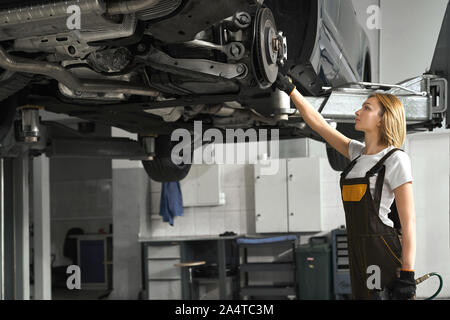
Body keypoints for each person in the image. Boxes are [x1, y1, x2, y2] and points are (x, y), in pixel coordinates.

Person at [275, 72, 417, 300]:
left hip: (381, 250)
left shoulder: (395, 159)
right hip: (357, 249)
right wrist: (291, 90)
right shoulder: (357, 153)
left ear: (382, 118)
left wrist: (408, 274)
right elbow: (319, 125)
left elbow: (409, 222)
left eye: (367, 108)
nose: (357, 112)